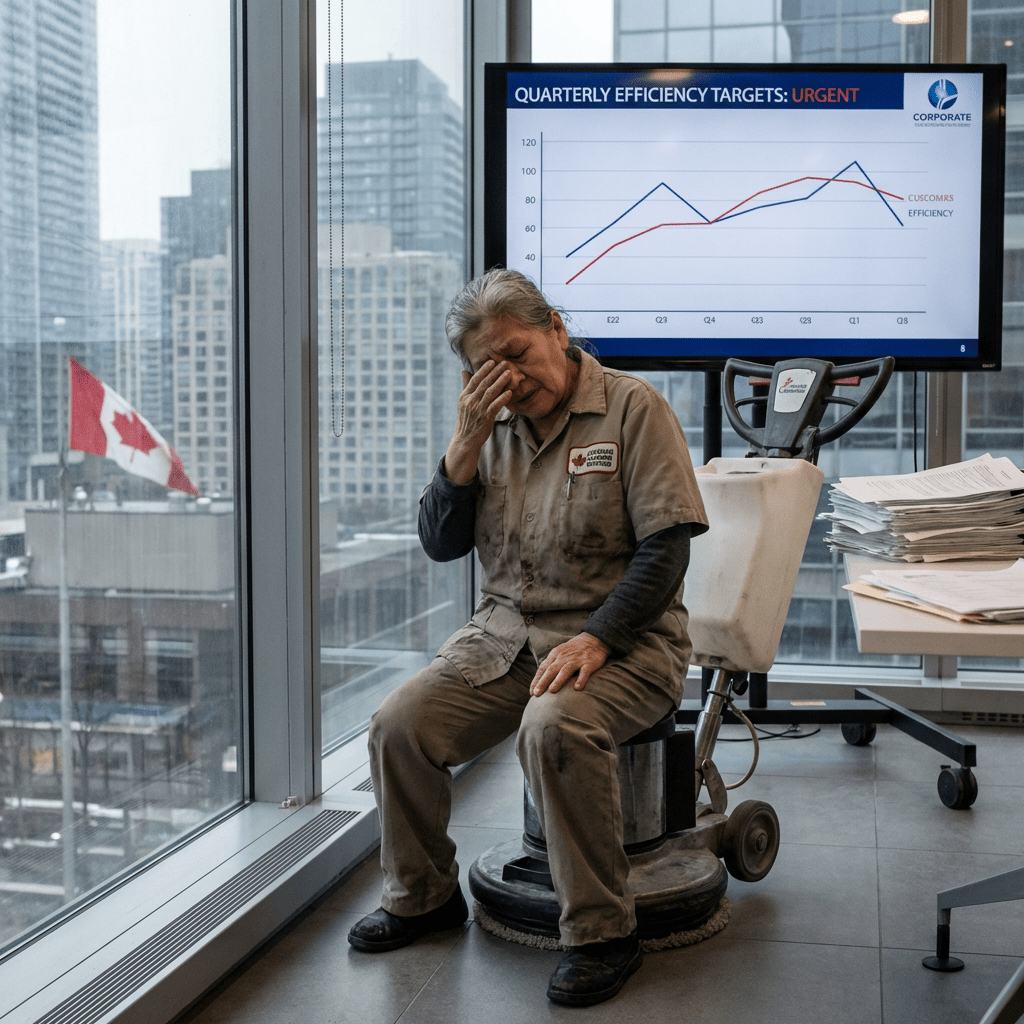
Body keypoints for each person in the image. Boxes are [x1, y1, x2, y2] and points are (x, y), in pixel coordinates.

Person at [347, 269, 708, 1007]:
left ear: (558, 331)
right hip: (505, 639)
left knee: (555, 726)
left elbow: (667, 547)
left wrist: (600, 638)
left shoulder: (633, 409)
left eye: (518, 352)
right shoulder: (490, 428)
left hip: (627, 641)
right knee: (399, 725)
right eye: (488, 368)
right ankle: (423, 897)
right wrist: (463, 446)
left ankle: (604, 932)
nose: (508, 376)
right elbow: (440, 544)